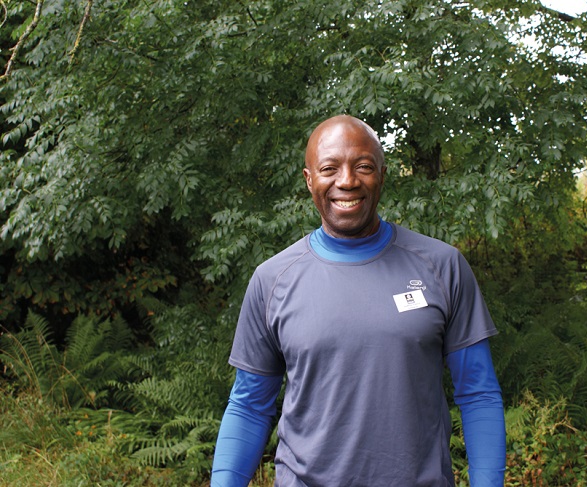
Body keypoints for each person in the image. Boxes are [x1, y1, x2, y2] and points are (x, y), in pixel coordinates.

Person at [211, 115, 506, 486]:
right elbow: (249, 405)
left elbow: (478, 394)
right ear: (309, 180)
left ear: (382, 175)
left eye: (363, 166)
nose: (347, 181)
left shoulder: (442, 266)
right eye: (329, 168)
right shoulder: (272, 280)